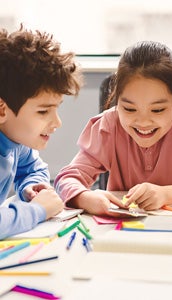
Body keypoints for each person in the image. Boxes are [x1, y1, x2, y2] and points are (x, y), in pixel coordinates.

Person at [54, 40, 172, 216]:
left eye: (157, 110)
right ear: (116, 97)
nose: (143, 122)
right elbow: (67, 179)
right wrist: (86, 198)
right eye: (129, 108)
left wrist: (166, 195)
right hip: (122, 231)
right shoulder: (108, 127)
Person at [0, 25, 83, 239]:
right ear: (2, 110)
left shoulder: (15, 142)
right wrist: (38, 210)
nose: (57, 122)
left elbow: (31, 169)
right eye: (44, 111)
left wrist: (32, 186)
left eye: (56, 108)